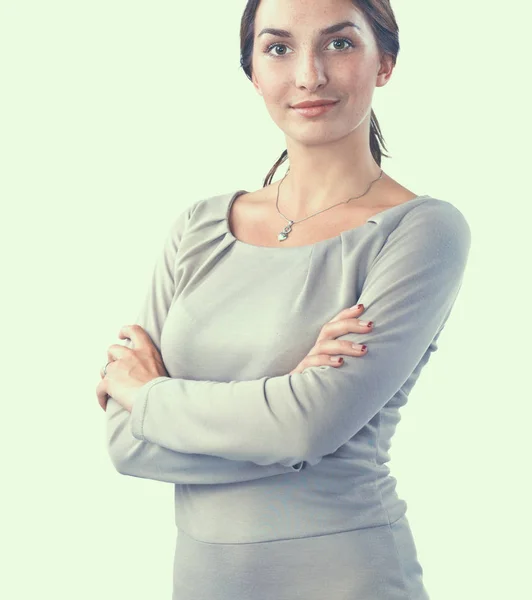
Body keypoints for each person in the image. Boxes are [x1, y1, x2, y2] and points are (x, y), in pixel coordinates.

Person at [98, 1, 471, 598]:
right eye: (278, 48)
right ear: (252, 70)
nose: (308, 75)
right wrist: (287, 424)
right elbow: (125, 444)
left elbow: (305, 427)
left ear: (386, 63)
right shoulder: (199, 225)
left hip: (347, 576)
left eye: (340, 44)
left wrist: (147, 394)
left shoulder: (421, 230)